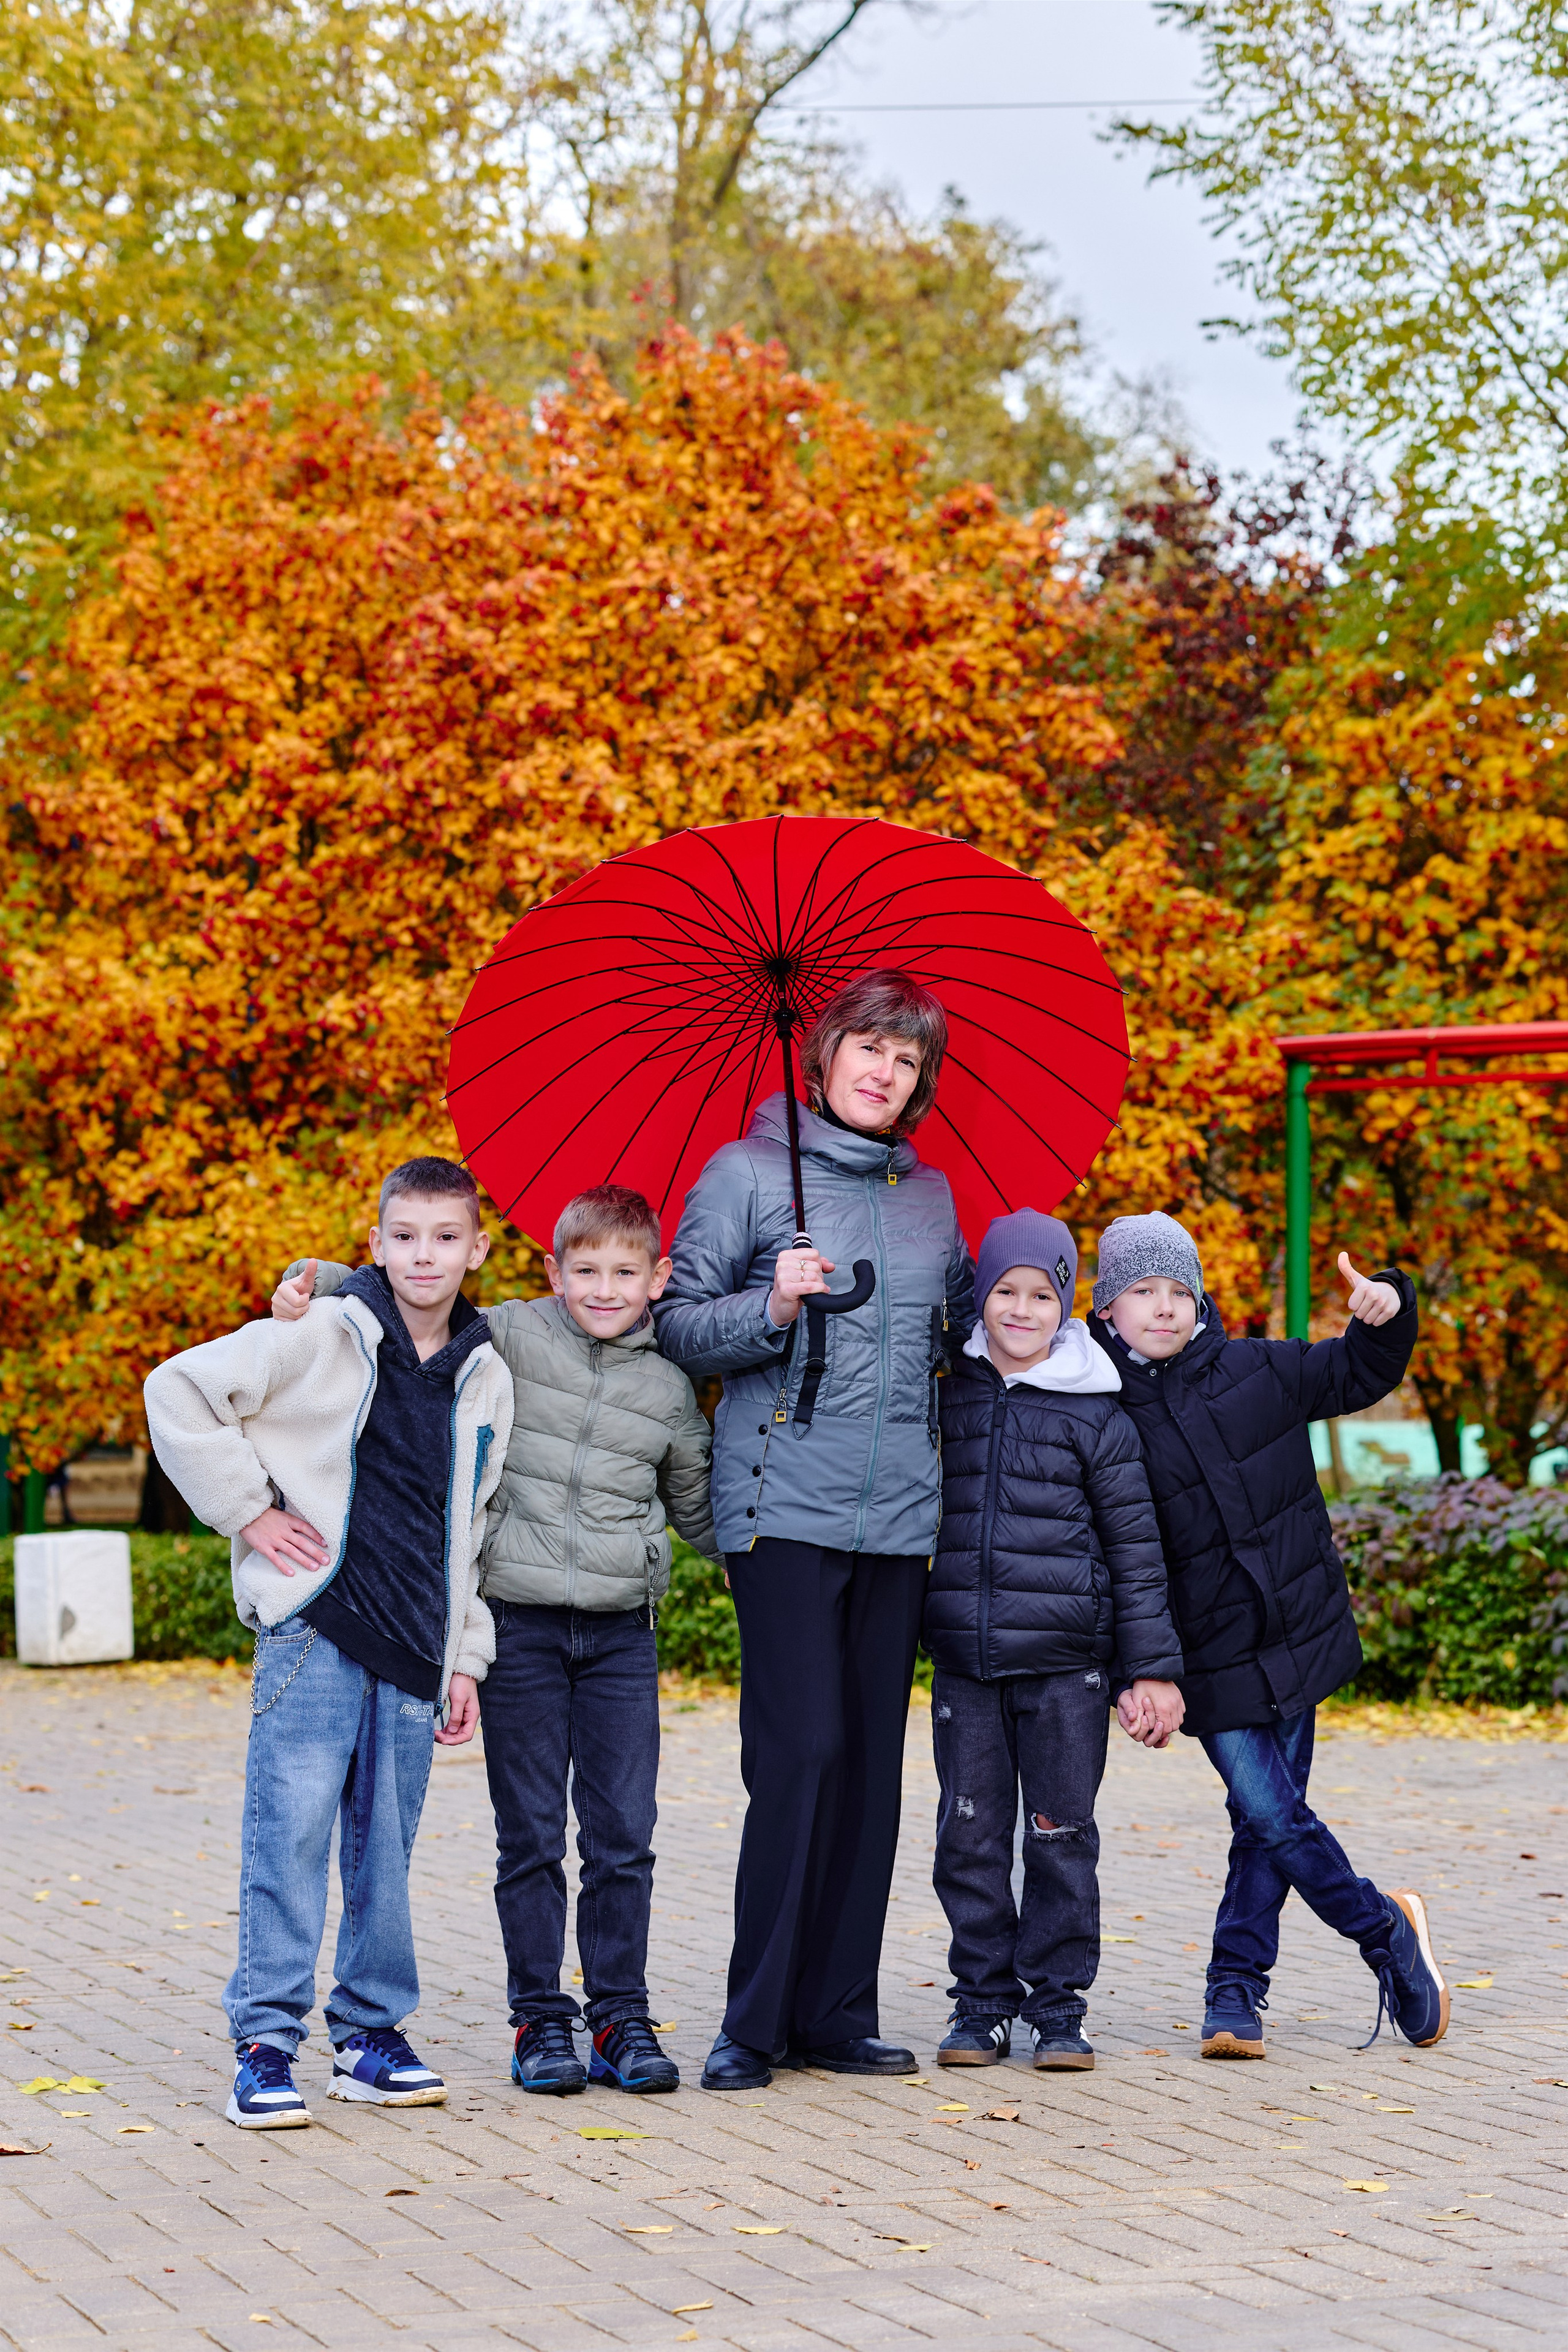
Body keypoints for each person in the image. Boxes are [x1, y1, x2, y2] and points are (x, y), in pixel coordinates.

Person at [273, 1183, 717, 2098]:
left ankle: (621, 2017)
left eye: (624, 1273)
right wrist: (309, 1283)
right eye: (584, 1271)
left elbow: (703, 1516)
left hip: (620, 1637)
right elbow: (408, 1294)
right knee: (531, 1838)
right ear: (552, 1272)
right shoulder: (508, 1336)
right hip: (517, 1630)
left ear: (657, 1279)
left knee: (624, 1835)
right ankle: (538, 2020)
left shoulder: (672, 1388)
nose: (603, 1289)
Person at [655, 969, 974, 2092]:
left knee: (874, 1771)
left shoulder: (931, 1198)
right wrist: (773, 1305)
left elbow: (961, 1337)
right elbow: (679, 1330)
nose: (887, 1073)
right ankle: (754, 2021)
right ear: (825, 1052)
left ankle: (838, 2014)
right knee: (800, 1757)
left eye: (908, 1059)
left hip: (899, 1518)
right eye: (870, 1049)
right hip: (781, 1503)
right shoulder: (746, 1175)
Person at [144, 1156, 513, 2129]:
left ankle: (369, 2036)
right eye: (404, 1237)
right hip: (315, 1628)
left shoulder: (486, 1375)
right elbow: (176, 1391)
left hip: (414, 1647)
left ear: (478, 1248)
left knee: (385, 1855)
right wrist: (249, 1513)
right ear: (376, 1244)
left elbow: (479, 1523)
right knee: (291, 1836)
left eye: (445, 1238)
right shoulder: (314, 1334)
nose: (424, 1256)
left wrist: (464, 1656)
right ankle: (264, 2047)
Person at [1088, 1210, 1448, 2056]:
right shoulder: (1097, 1412)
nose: (1166, 1308)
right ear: (1107, 1309)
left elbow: (1358, 1371)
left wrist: (1389, 1306)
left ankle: (1235, 1992)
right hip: (1208, 1662)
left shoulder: (1259, 1367)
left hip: (1296, 1628)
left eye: (1181, 1289)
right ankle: (1385, 1930)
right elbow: (1107, 1562)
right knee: (1274, 1815)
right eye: (1144, 1291)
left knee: (1265, 1823)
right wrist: (1133, 1673)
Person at [923, 1208, 1184, 2071]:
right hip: (967, 1664)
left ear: (1067, 1302)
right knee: (968, 1839)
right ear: (981, 1298)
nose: (1024, 1310)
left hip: (1067, 1672)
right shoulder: (945, 1392)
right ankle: (981, 2003)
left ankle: (1059, 2007)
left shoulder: (1095, 1411)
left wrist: (1147, 1669)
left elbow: (1137, 1553)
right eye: (1007, 1291)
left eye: (1043, 1294)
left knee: (1061, 1836)